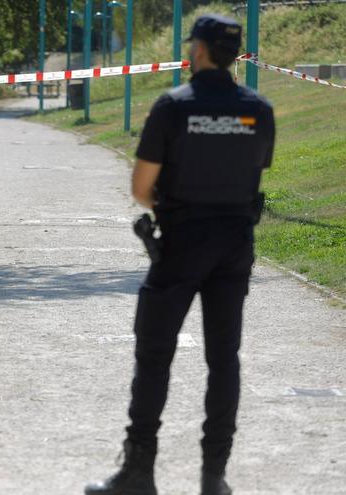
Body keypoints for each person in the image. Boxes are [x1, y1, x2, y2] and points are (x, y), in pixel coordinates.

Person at [84, 14, 275, 495]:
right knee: (223, 358)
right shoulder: (259, 109)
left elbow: (141, 187)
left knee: (154, 356)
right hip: (235, 247)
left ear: (200, 51)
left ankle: (138, 473)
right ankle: (214, 478)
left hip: (182, 244)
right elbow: (251, 174)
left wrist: (173, 204)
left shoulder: (173, 107)